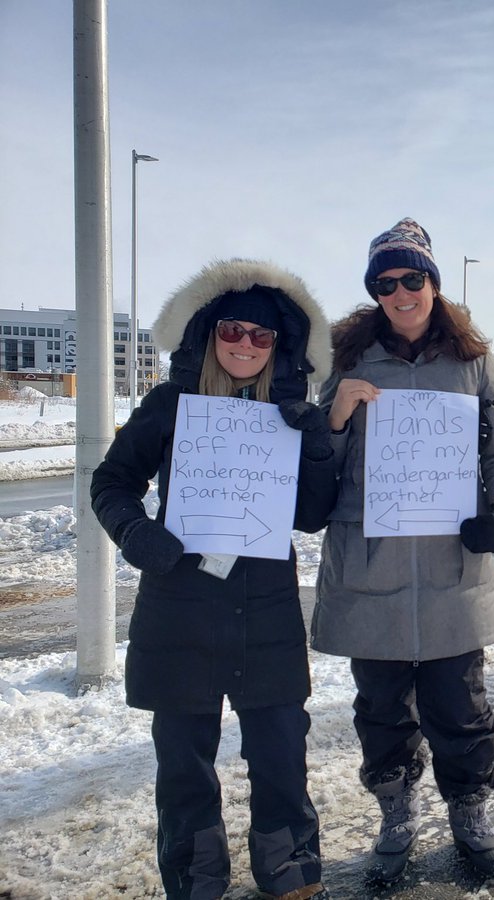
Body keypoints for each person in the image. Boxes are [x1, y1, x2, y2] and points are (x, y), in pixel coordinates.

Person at [90, 260, 336, 900]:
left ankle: (290, 869)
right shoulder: (171, 404)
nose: (245, 344)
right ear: (209, 331)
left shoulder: (290, 415)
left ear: (278, 346)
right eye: (234, 329)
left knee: (281, 752)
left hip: (266, 613)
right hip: (181, 607)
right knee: (183, 762)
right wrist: (137, 535)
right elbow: (112, 482)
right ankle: (196, 876)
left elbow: (311, 516)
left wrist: (312, 445)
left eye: (262, 336)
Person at [312, 218, 494, 882]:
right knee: (380, 710)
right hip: (368, 568)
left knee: (459, 706)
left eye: (412, 278)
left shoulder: (473, 361)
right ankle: (395, 813)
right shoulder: (346, 361)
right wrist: (338, 415)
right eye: (386, 282)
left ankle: (470, 815)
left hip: (448, 569)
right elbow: (317, 466)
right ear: (374, 292)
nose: (400, 292)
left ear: (433, 282)